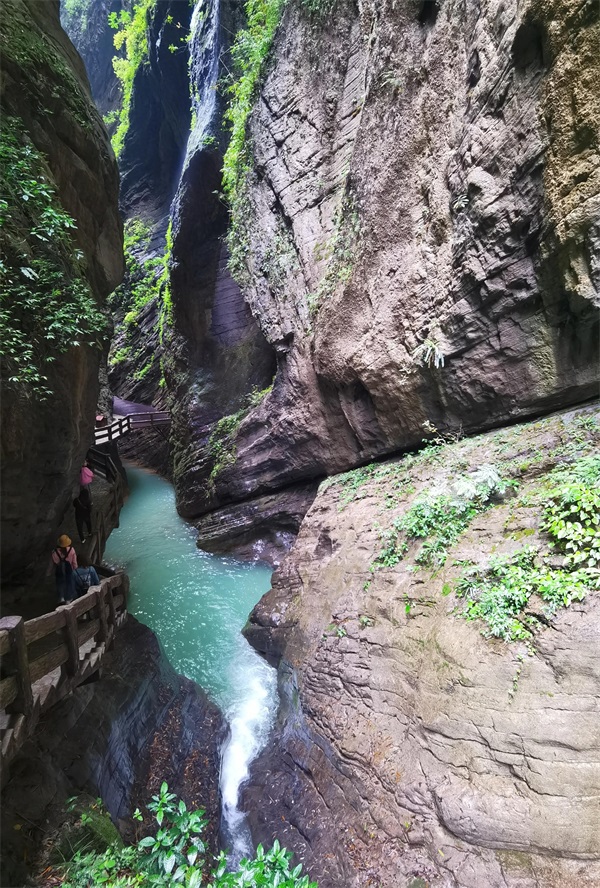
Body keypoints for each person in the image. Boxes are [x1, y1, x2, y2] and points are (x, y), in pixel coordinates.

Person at [49, 534, 78, 605]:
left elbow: (51, 564)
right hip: (69, 570)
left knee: (60, 583)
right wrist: (76, 569)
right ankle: (68, 599)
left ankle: (61, 597)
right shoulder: (71, 550)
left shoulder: (54, 552)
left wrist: (48, 572)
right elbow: (74, 562)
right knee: (69, 583)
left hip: (59, 570)